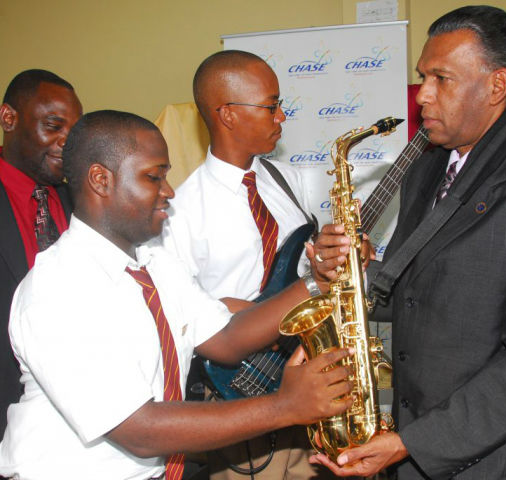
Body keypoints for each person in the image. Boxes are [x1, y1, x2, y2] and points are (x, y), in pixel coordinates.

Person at [308, 6, 506, 479]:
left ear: (497, 86)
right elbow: (416, 291)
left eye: (441, 79)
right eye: (423, 76)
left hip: (483, 457)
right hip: (405, 434)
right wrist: (352, 274)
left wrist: (413, 443)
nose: (422, 95)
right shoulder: (427, 168)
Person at [0, 110, 353, 480]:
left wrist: (317, 281)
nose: (168, 191)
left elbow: (227, 340)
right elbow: (139, 429)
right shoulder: (58, 288)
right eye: (154, 177)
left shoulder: (155, 263)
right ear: (100, 179)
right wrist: (284, 406)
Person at [158, 50, 338, 479]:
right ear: (228, 114)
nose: (281, 117)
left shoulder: (284, 180)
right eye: (271, 105)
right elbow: (185, 317)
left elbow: (297, 266)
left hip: (305, 371)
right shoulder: (182, 210)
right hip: (243, 391)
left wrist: (332, 253)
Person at [0, 69, 82, 436]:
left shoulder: (79, 199)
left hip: (77, 412)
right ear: (8, 118)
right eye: (53, 126)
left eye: (73, 132)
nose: (67, 142)